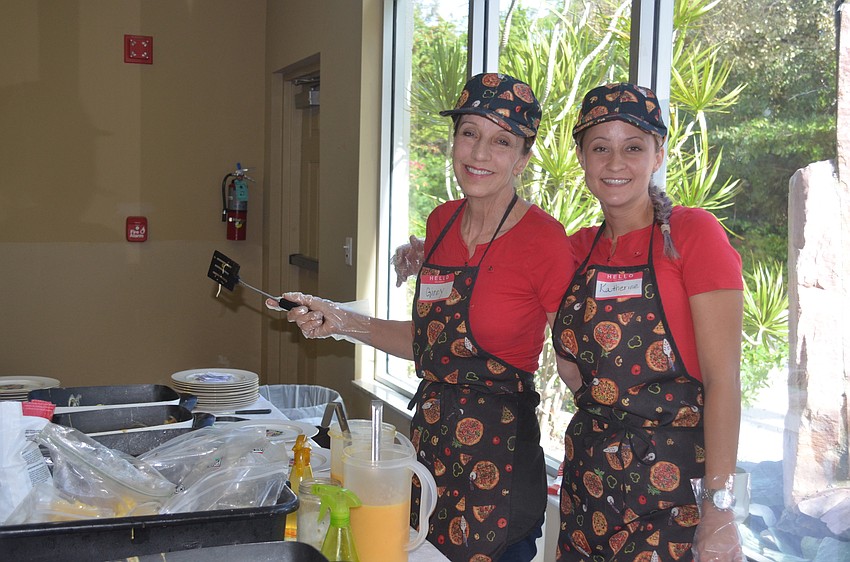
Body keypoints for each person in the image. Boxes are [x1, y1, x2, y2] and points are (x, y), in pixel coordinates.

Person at [267, 72, 575, 562]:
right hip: (430, 455)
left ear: (523, 156)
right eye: (469, 133)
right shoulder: (440, 222)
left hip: (501, 466)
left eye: (501, 140)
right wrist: (340, 320)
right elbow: (427, 342)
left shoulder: (545, 241)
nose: (478, 153)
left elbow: (575, 363)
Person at [551, 83, 744, 562]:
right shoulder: (577, 250)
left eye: (633, 147)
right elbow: (502, 270)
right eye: (600, 148)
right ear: (581, 157)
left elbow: (724, 381)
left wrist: (719, 509)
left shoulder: (693, 234)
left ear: (658, 154)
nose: (616, 164)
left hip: (670, 496)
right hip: (587, 487)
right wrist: (423, 252)